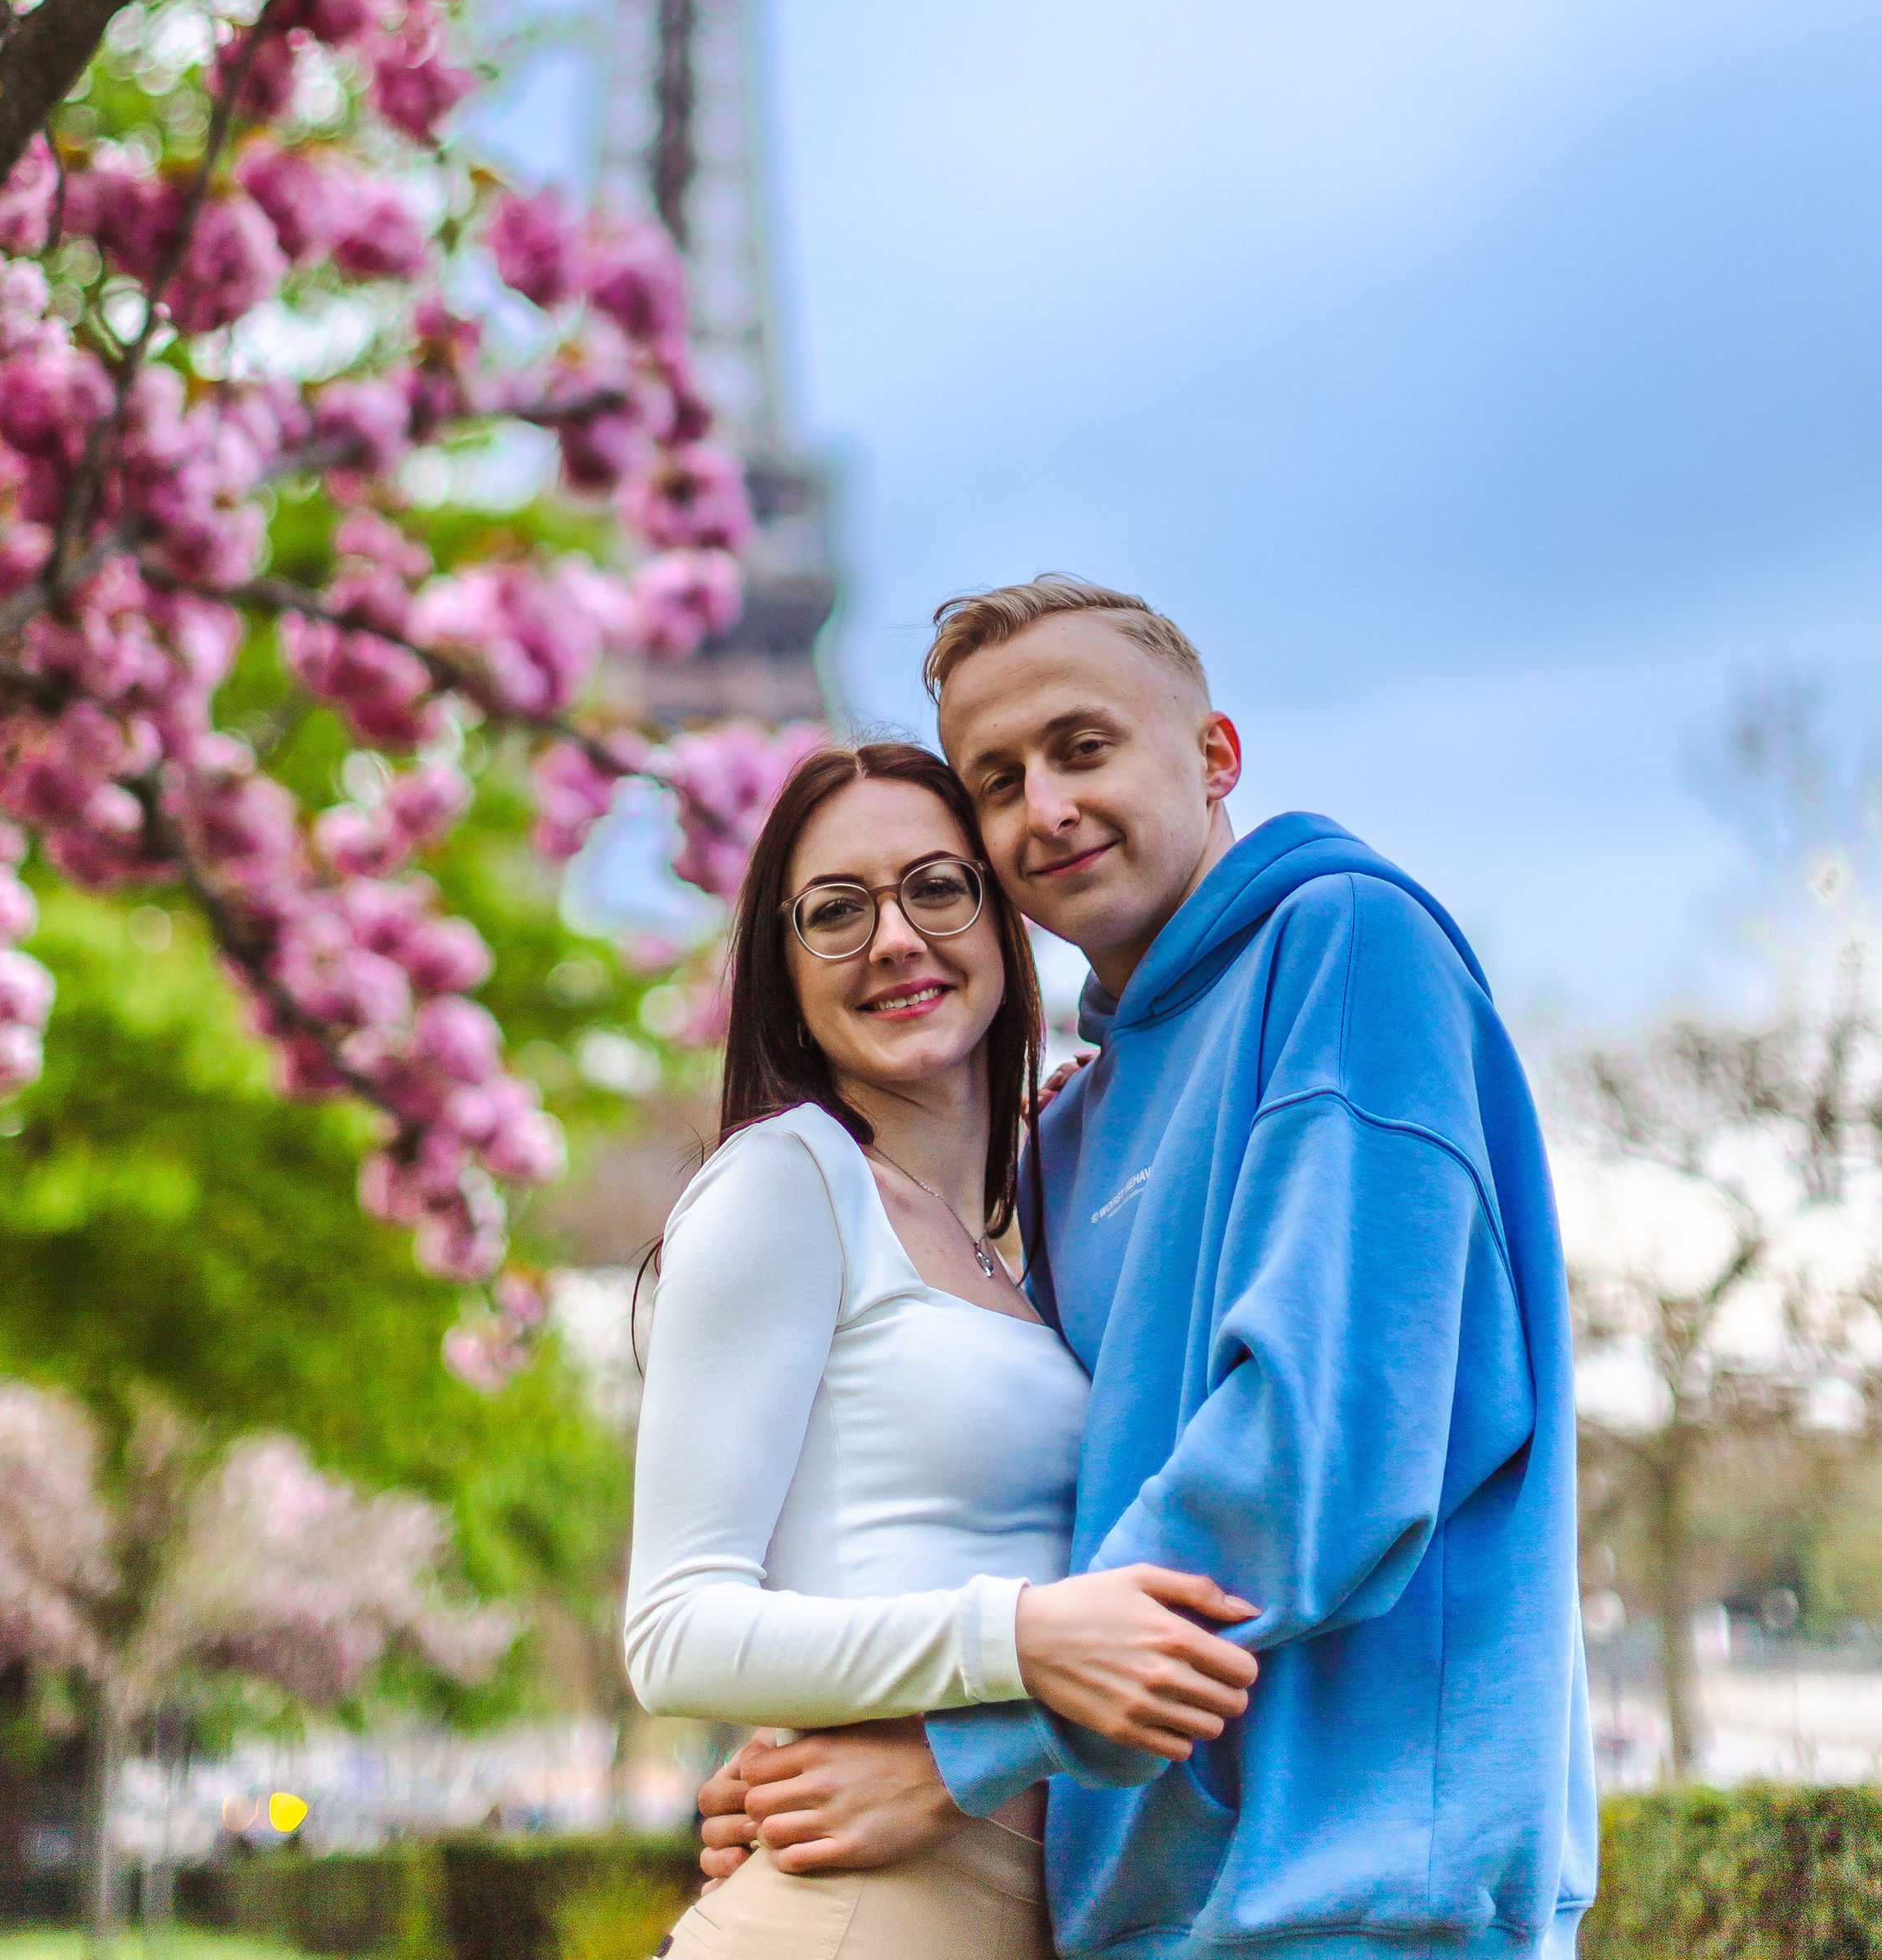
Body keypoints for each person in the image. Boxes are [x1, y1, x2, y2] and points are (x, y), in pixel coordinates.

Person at [700, 579, 1598, 1960]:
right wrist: (826, 1750)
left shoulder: (1348, 949)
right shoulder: (1067, 1137)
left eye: (1083, 748)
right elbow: (1049, 1525)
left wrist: (954, 1752)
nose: (1046, 807)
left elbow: (1320, 1449)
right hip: (1133, 1913)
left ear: (1215, 754)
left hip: (1357, 1902)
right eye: (998, 782)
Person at [626, 735, 1260, 1958]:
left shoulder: (1030, 1232)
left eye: (935, 887)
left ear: (1002, 920)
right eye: (835, 911)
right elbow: (674, 1632)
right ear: (784, 968)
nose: (895, 939)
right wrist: (1020, 1636)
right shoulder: (788, 1182)